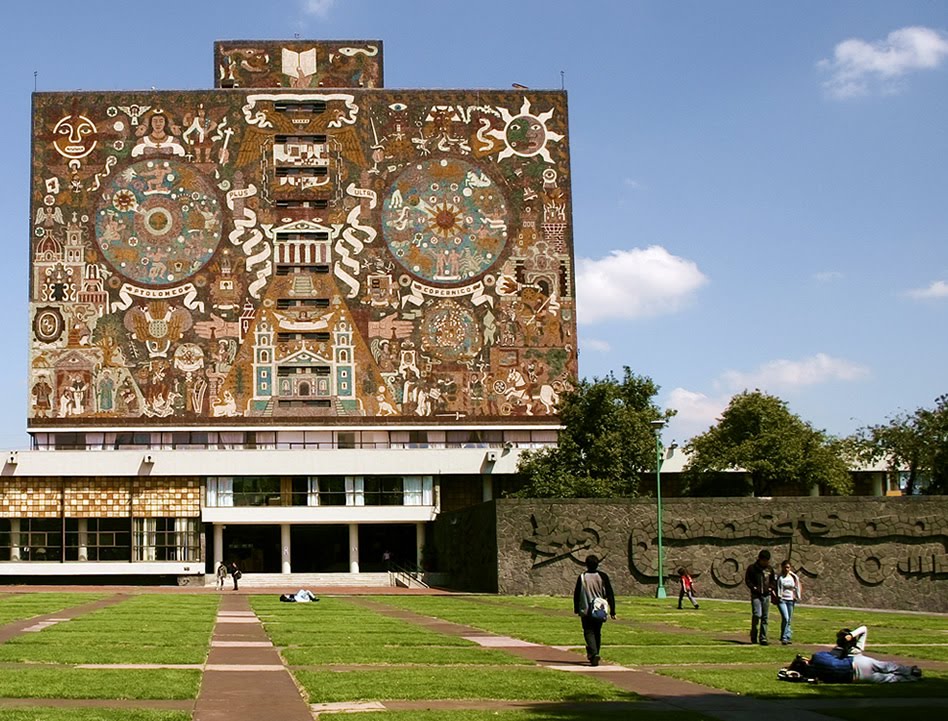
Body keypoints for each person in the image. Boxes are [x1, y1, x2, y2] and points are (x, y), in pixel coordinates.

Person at [788, 625, 922, 683]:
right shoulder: (855, 648)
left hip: (856, 677)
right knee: (888, 666)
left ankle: (913, 678)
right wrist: (851, 635)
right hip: (858, 662)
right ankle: (911, 671)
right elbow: (864, 628)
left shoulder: (830, 657)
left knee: (889, 679)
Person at [573, 554, 616, 667]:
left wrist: (576, 608)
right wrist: (612, 610)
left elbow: (577, 594)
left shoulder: (582, 577)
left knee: (588, 631)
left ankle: (593, 653)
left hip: (586, 609)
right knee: (597, 632)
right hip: (599, 609)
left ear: (586, 564)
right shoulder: (602, 576)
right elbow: (610, 594)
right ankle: (594, 653)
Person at [745, 549, 776, 645]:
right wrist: (754, 588)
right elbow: (748, 580)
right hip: (756, 595)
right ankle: (753, 634)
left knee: (765, 617)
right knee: (757, 614)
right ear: (759, 559)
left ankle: (763, 637)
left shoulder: (769, 569)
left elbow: (773, 581)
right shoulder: (752, 568)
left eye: (767, 560)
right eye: (764, 560)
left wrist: (771, 588)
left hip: (766, 595)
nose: (765, 562)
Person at [776, 559, 802, 645]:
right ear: (782, 567)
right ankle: (784, 637)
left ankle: (787, 636)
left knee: (789, 619)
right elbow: (778, 588)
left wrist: (797, 596)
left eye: (788, 567)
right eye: (785, 567)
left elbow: (797, 587)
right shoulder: (780, 577)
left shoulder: (793, 577)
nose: (787, 569)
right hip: (782, 599)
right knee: (785, 618)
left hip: (790, 600)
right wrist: (779, 597)